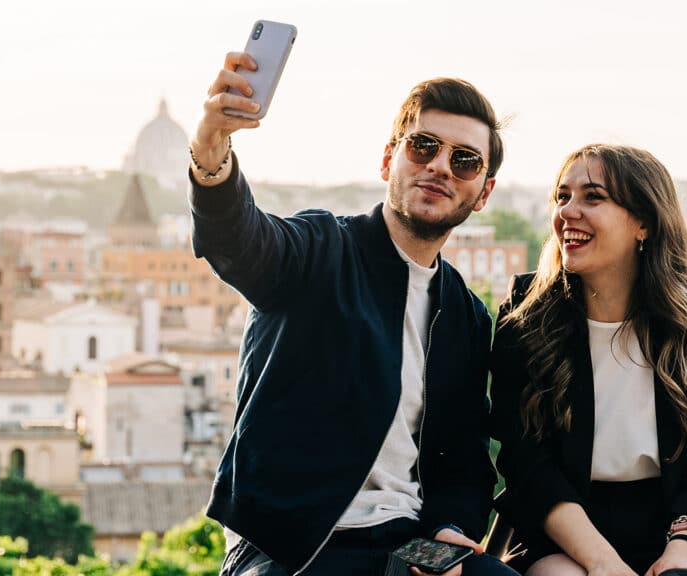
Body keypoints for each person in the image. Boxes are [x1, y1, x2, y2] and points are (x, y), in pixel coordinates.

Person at [188, 51, 519, 576]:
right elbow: (243, 242)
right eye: (424, 146)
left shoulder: (465, 315)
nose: (439, 167)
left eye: (465, 160)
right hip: (294, 546)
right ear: (390, 159)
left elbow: (463, 456)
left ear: (484, 192)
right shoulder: (321, 250)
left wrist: (451, 534)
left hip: (410, 546)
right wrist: (211, 150)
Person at [489, 144, 687, 576]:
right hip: (564, 530)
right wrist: (602, 562)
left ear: (645, 223)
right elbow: (526, 465)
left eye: (592, 197)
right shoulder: (526, 311)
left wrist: (682, 551)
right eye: (562, 196)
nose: (568, 212)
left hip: (681, 528)